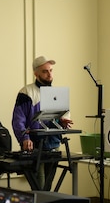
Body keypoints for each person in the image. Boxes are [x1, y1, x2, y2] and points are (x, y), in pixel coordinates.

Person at [11, 55, 73, 191]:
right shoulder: (26, 92)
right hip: (35, 146)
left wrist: (63, 122)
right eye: (45, 71)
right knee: (39, 188)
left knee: (47, 188)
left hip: (54, 144)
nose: (49, 74)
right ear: (36, 73)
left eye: (51, 70)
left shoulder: (57, 93)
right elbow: (18, 120)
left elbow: (64, 116)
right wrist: (24, 138)